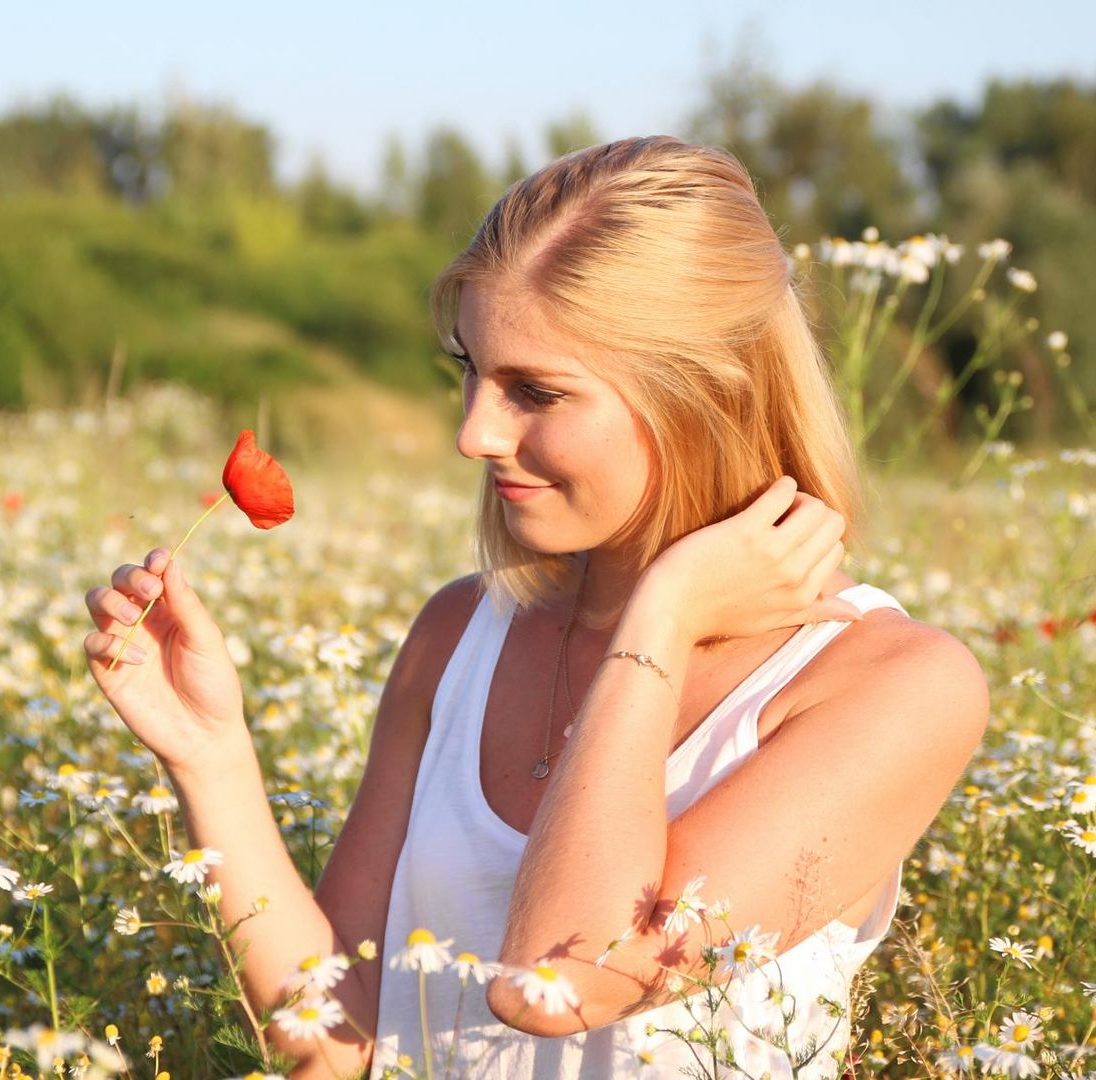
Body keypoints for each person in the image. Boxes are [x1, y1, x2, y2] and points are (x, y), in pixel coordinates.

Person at [83, 136, 990, 1079]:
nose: (475, 432)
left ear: (707, 395)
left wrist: (661, 615)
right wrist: (212, 758)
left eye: (537, 391)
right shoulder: (457, 635)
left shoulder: (894, 686)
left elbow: (560, 981)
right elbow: (333, 1038)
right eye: (470, 367)